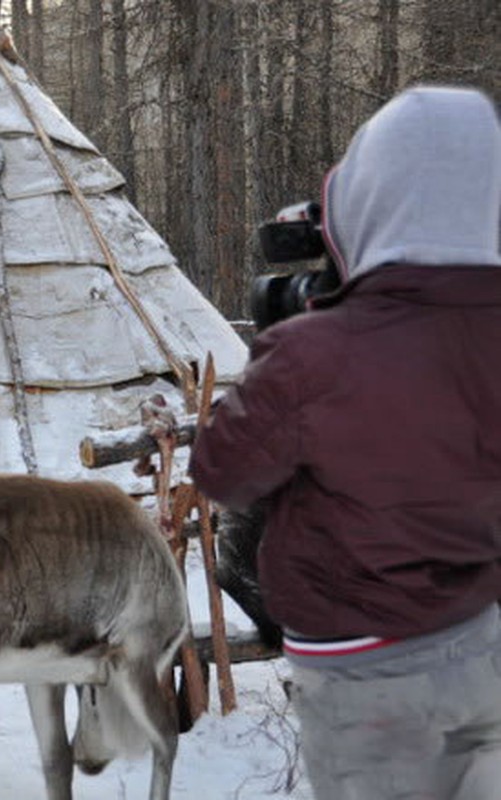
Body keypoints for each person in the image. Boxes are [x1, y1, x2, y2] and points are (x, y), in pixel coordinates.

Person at [190, 85, 501, 800]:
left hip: (361, 661)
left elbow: (222, 471)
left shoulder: (316, 353)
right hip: (480, 633)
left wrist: (284, 346)